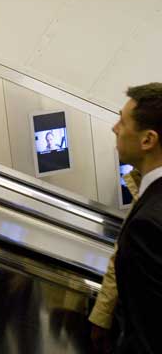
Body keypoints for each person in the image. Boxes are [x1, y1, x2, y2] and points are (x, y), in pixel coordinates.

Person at [109, 82, 162, 353]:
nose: (115, 128)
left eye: (122, 121)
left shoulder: (147, 225)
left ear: (147, 140)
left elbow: (148, 333)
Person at [89, 168, 141, 354]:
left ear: (148, 140)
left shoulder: (152, 198)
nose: (116, 136)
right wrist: (102, 315)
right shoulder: (145, 186)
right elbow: (120, 256)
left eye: (122, 135)